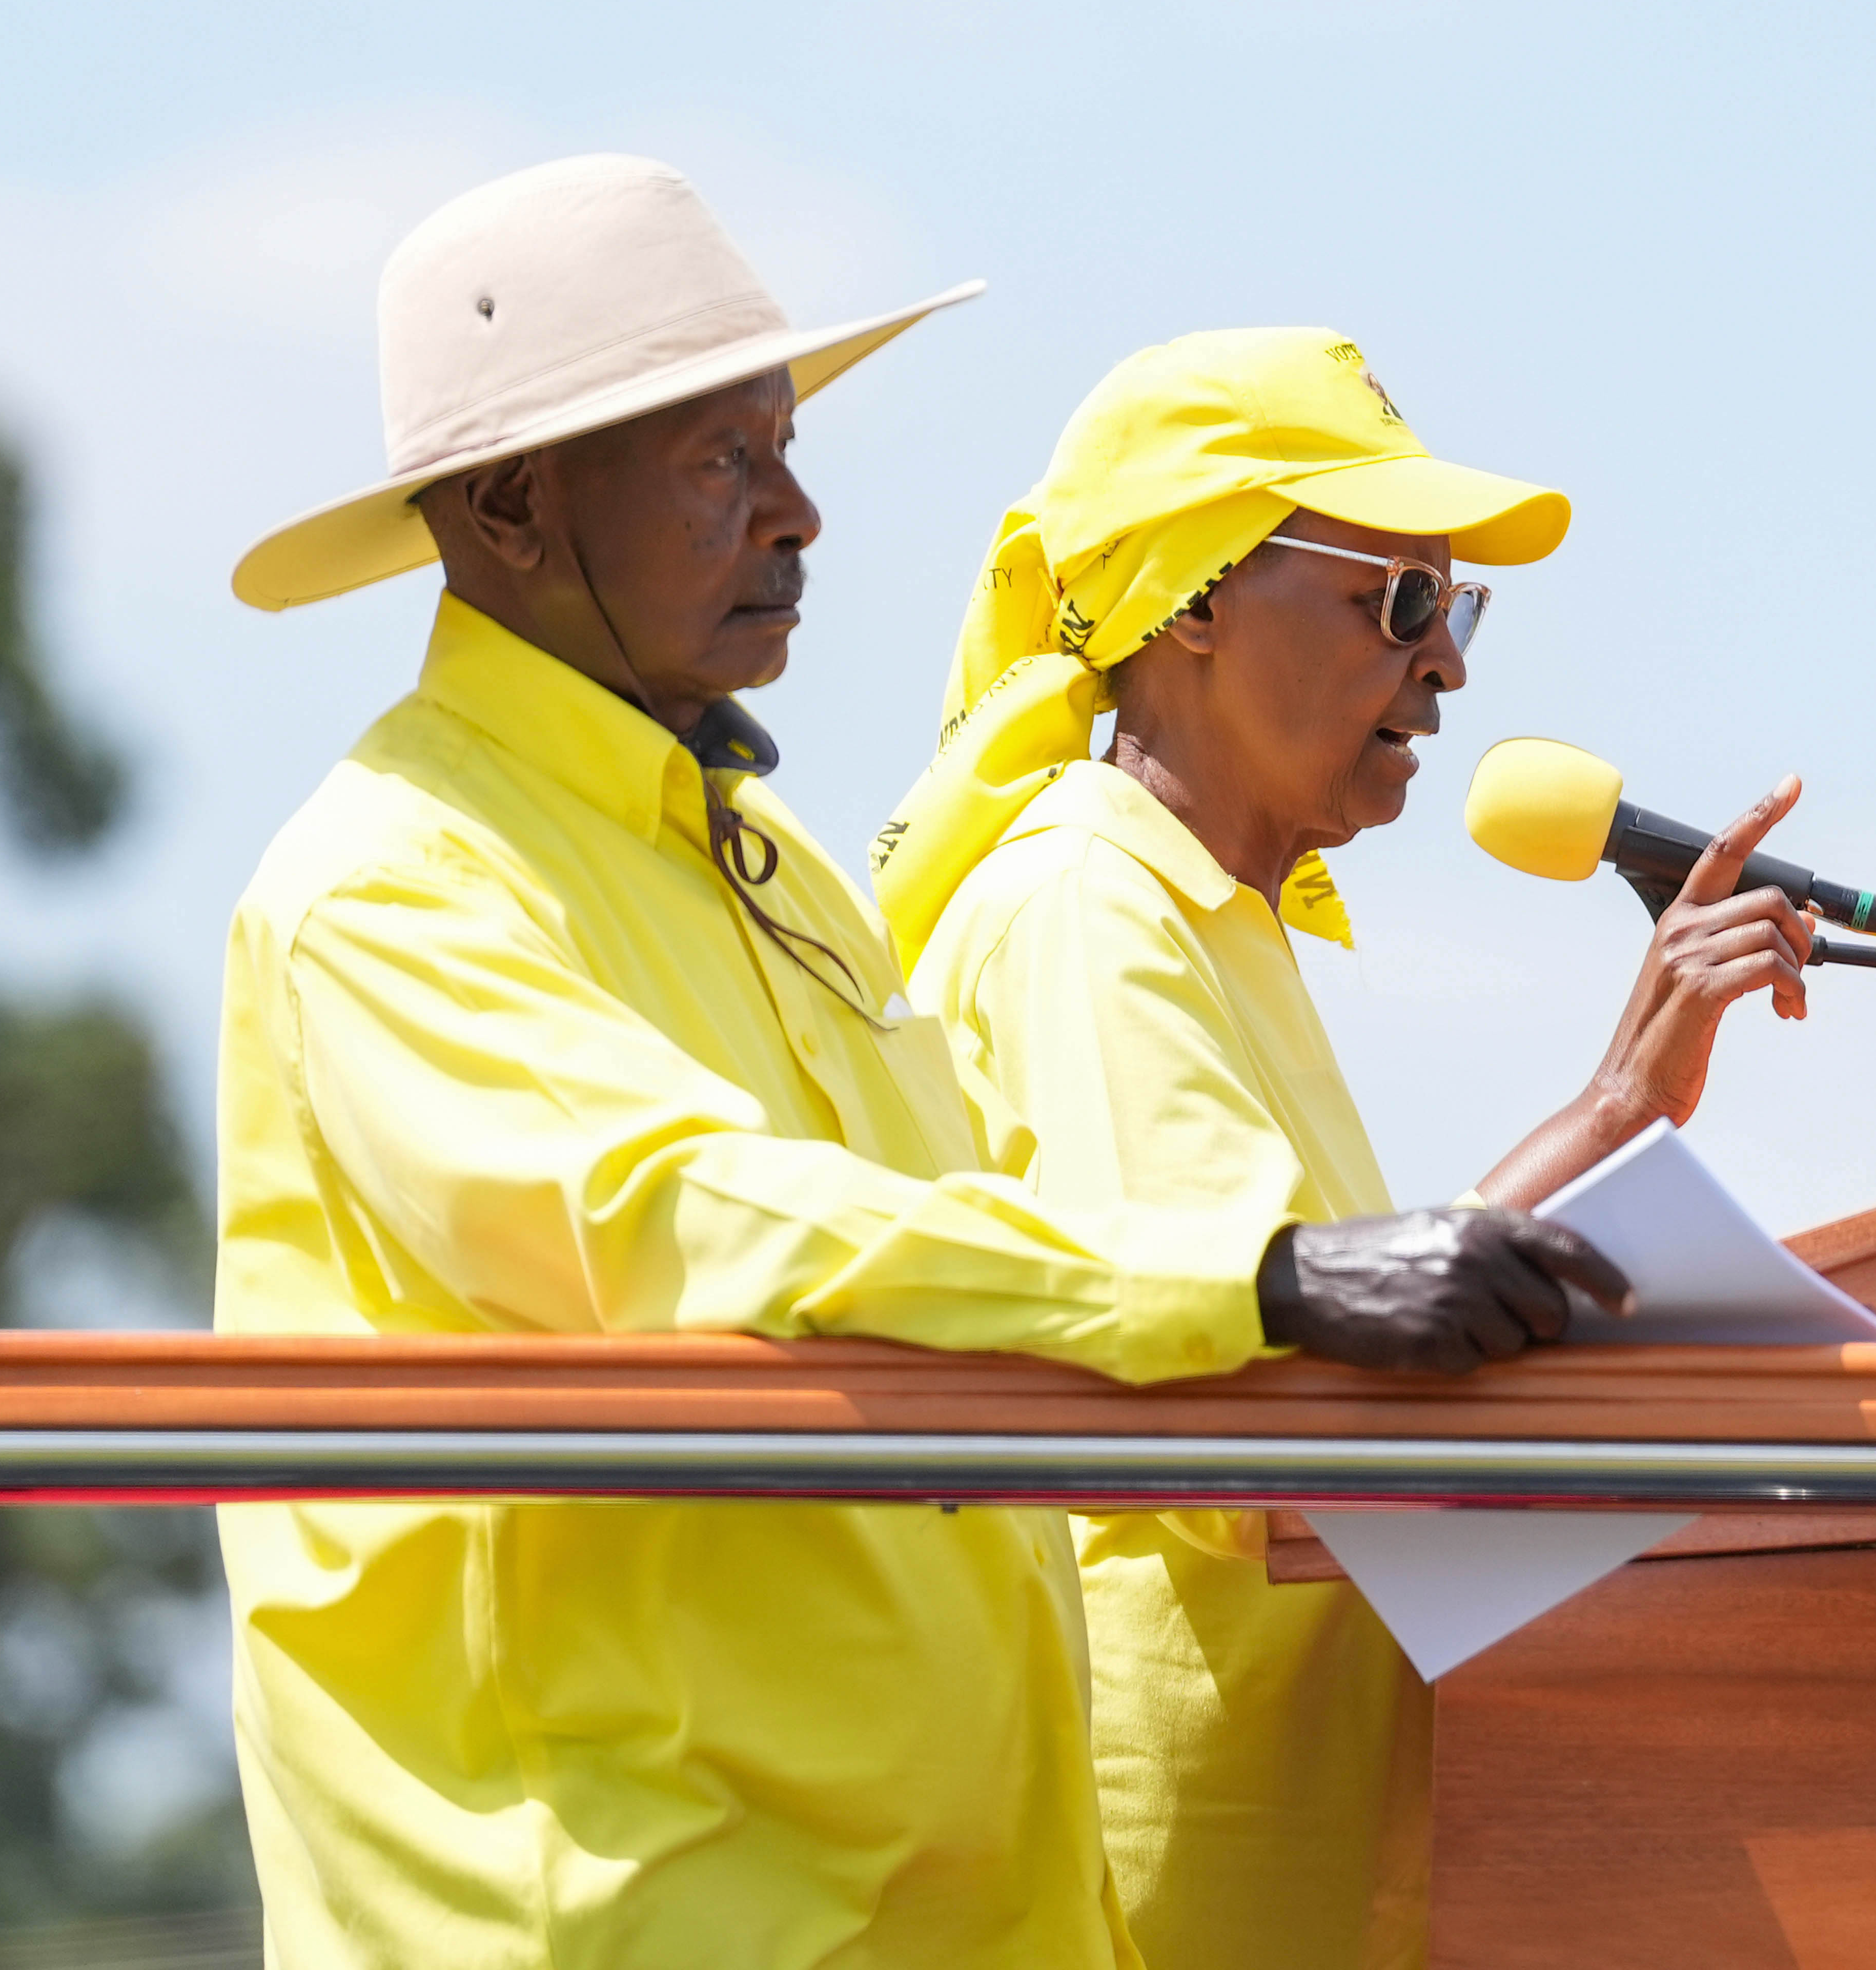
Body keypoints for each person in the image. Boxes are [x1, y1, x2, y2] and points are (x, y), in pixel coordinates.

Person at [213, 160, 1629, 1969]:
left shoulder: (769, 859)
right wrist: (1267, 1278)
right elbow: (684, 1225)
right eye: (724, 464)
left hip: (941, 1912)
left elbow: (949, 1264)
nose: (802, 515)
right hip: (645, 1921)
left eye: (789, 447)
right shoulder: (385, 885)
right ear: (506, 509)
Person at [882, 328, 1818, 1970]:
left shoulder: (1213, 920)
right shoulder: (1089, 908)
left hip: (1282, 1845)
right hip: (1158, 1874)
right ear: (1188, 603)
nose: (1448, 668)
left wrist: (1619, 1107)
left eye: (1457, 613)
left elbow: (1308, 1317)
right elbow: (1261, 1376)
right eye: (1399, 604)